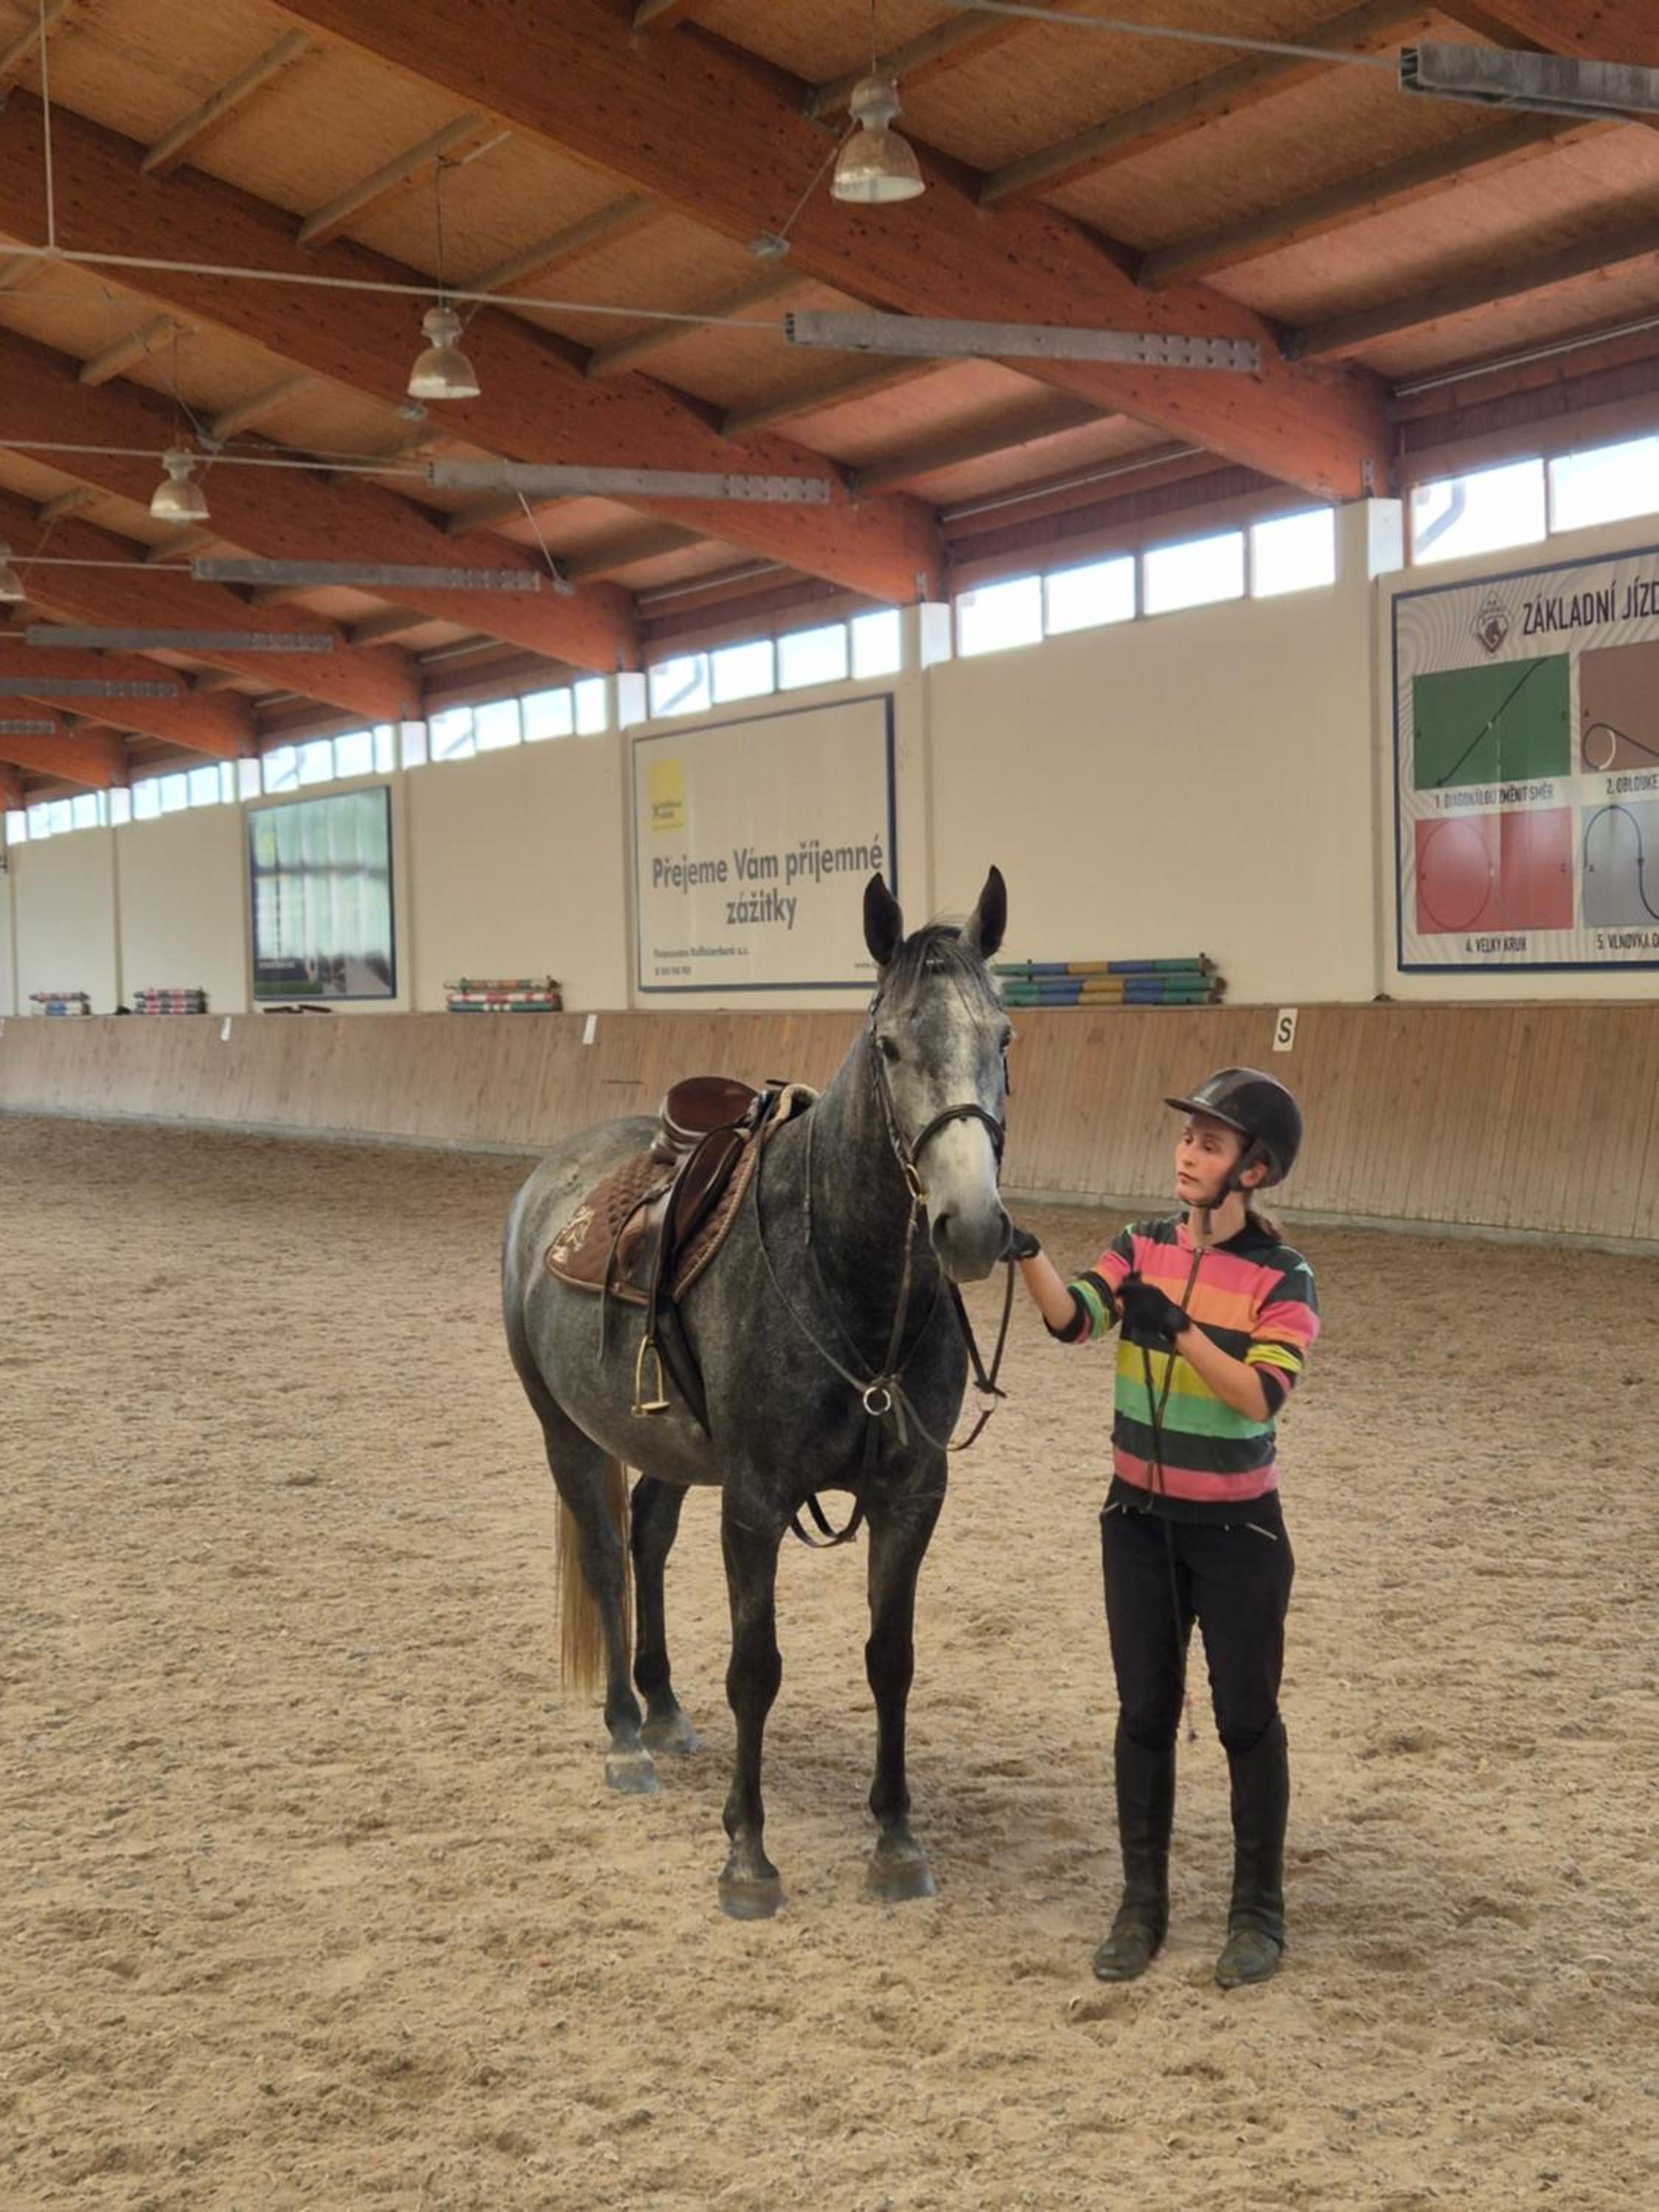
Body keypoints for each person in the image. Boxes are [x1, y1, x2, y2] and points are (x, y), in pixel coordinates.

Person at [1009, 1068, 1318, 1989]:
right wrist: (1026, 1252)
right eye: (1186, 1138)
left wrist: (1179, 1329)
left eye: (1209, 1144)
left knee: (1246, 1722)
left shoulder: (1285, 1277)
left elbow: (1260, 1394)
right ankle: (1141, 1906)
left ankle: (1257, 1913)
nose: (1187, 1154)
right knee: (1144, 1715)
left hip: (1237, 1536)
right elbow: (1075, 1321)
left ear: (1253, 1171)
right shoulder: (1139, 1245)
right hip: (1137, 1524)